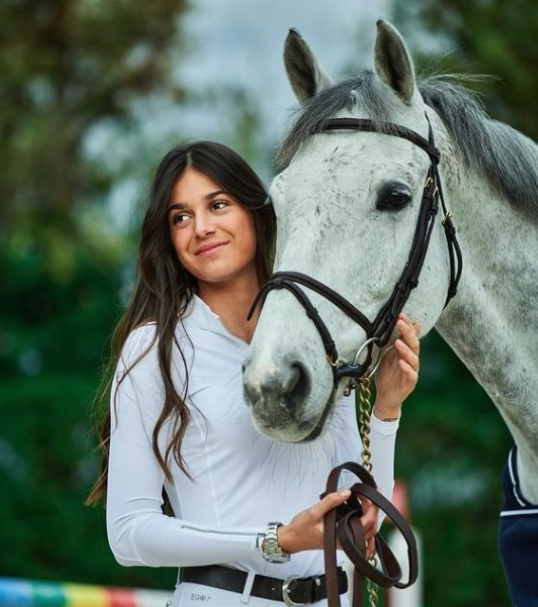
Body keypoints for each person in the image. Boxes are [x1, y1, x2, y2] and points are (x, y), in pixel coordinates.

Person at [87, 141, 421, 607]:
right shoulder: (154, 350)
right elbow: (129, 535)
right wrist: (276, 539)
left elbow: (363, 515)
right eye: (180, 217)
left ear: (256, 211)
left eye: (218, 204)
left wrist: (386, 409)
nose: (201, 228)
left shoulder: (313, 339)